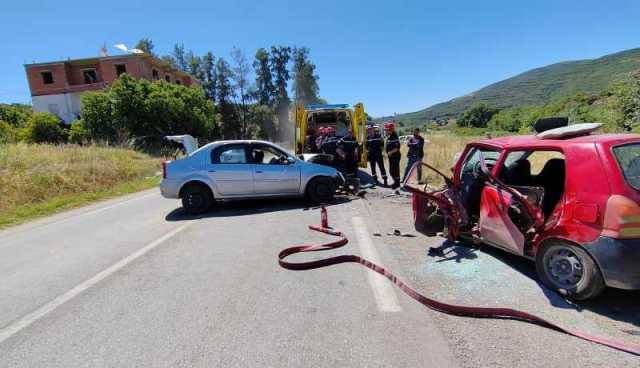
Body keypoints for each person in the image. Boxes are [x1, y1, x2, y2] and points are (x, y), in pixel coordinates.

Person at [384, 121, 401, 189]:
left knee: (395, 170)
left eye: (387, 130)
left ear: (390, 130)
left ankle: (397, 184)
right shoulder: (390, 136)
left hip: (395, 156)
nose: (386, 131)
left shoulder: (394, 136)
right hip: (391, 156)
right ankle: (396, 182)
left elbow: (397, 147)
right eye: (386, 130)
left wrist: (390, 152)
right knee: (392, 170)